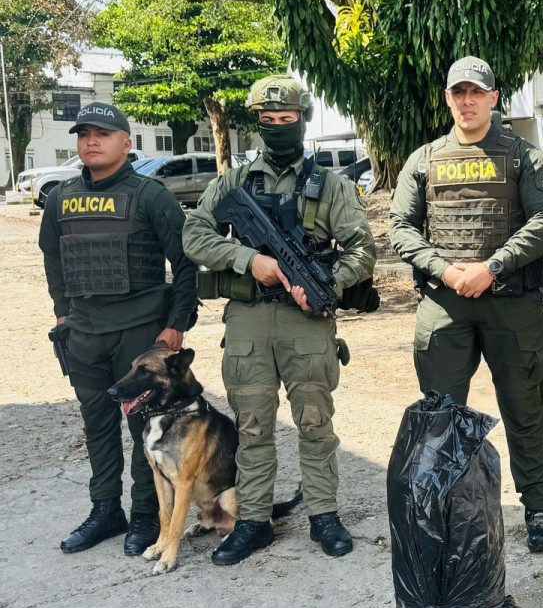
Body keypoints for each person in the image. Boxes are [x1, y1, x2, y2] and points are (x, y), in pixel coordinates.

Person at [183, 75, 376, 565]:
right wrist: (250, 261)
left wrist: (326, 285)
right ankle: (252, 522)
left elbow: (362, 248)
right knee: (252, 428)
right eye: (267, 121)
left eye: (285, 119)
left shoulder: (329, 184)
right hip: (247, 319)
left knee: (315, 423)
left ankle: (324, 515)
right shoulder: (233, 182)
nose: (276, 127)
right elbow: (195, 234)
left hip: (305, 322)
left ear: (302, 120)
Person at [389, 56, 543, 553]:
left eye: (476, 92)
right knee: (440, 414)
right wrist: (444, 269)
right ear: (447, 98)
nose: (467, 101)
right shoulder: (423, 159)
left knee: (523, 409)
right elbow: (400, 226)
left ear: (493, 98)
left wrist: (493, 267)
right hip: (446, 304)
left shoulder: (524, 157)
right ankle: (449, 510)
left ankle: (538, 512)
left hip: (509, 302)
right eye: (458, 92)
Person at [39, 102, 198, 556]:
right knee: (96, 424)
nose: (91, 140)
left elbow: (186, 263)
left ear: (126, 144)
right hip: (84, 333)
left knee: (144, 426)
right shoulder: (60, 198)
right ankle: (106, 509)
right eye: (84, 133)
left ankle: (147, 515)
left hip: (140, 332)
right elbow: (54, 258)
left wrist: (176, 326)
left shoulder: (151, 195)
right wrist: (62, 313)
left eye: (103, 134)